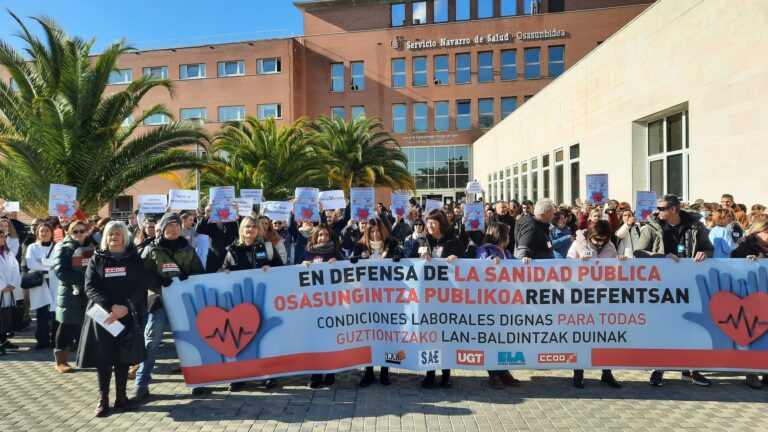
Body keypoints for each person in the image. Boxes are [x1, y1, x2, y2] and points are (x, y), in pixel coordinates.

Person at [635, 194, 714, 386]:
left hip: (690, 283)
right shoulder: (651, 228)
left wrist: (705, 253)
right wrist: (661, 257)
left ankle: (691, 370)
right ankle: (658, 368)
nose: (657, 211)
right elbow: (639, 252)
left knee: (691, 326)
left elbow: (709, 249)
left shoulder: (695, 227)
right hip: (662, 285)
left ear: (673, 209)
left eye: (661, 208)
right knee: (664, 325)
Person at [131, 213, 205, 402]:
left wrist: (188, 279)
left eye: (176, 227)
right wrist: (158, 282)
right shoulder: (152, 249)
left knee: (189, 343)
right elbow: (140, 275)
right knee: (151, 342)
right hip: (159, 303)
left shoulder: (188, 249)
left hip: (183, 303)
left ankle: (198, 381)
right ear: (162, 229)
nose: (173, 230)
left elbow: (199, 273)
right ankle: (141, 384)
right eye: (169, 227)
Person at [77, 221, 148, 417]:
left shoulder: (134, 259)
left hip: (126, 314)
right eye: (110, 234)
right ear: (105, 238)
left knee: (122, 357)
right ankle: (103, 398)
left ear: (125, 236)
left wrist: (125, 306)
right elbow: (90, 287)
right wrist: (111, 307)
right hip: (103, 316)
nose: (113, 237)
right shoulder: (97, 259)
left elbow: (140, 287)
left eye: (117, 234)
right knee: (104, 358)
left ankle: (121, 397)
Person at [221, 216, 283, 391]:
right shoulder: (231, 250)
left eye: (254, 227)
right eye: (247, 227)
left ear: (259, 230)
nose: (251, 230)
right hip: (239, 300)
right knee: (241, 339)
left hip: (263, 299)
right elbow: (220, 271)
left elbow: (282, 268)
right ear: (241, 229)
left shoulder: (267, 248)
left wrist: (270, 270)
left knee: (265, 338)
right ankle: (240, 376)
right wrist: (223, 272)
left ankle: (269, 375)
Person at [566, 220, 625, 388]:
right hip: (583, 298)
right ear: (591, 235)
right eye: (597, 239)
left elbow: (616, 268)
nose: (600, 243)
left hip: (604, 298)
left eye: (603, 240)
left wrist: (620, 261)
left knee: (606, 337)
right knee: (582, 337)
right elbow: (566, 264)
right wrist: (579, 262)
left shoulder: (611, 247)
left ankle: (607, 373)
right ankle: (578, 374)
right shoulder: (578, 244)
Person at [408, 209, 463, 389]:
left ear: (441, 223)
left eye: (433, 222)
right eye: (428, 222)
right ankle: (430, 373)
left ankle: (446, 374)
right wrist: (419, 259)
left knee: (445, 336)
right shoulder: (421, 241)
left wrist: (458, 258)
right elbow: (409, 263)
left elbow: (468, 261)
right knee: (429, 336)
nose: (430, 225)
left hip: (447, 297)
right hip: (427, 298)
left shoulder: (453, 241)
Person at [349, 219, 403, 388]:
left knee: (386, 334)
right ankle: (369, 371)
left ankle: (385, 371)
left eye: (377, 231)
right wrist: (353, 259)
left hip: (388, 299)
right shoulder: (360, 246)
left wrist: (398, 257)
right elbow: (349, 266)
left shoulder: (392, 244)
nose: (375, 234)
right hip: (366, 300)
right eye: (371, 231)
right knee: (369, 336)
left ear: (383, 231)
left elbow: (407, 263)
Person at [475, 222, 522, 389]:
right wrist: (490, 261)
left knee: (503, 339)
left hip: (505, 301)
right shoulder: (485, 250)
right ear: (499, 235)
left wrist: (525, 261)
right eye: (507, 234)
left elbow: (516, 263)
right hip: (489, 302)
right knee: (492, 339)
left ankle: (503, 370)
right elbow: (480, 264)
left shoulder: (506, 252)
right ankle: (493, 373)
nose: (509, 237)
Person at [300, 224, 344, 388]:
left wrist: (338, 265)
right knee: (315, 339)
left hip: (331, 304)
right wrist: (302, 266)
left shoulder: (336, 253)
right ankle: (316, 374)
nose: (322, 238)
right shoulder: (307, 252)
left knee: (330, 338)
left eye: (325, 235)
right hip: (312, 304)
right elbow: (293, 272)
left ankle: (331, 371)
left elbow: (346, 275)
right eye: (320, 235)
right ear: (314, 237)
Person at [728, 219, 768, 389]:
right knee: (754, 334)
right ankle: (751, 372)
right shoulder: (744, 248)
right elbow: (733, 265)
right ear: (758, 234)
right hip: (750, 297)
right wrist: (747, 262)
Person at [51, 220, 95, 373]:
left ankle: (88, 357)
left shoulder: (93, 246)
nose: (79, 234)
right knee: (67, 325)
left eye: (82, 231)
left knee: (89, 325)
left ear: (87, 231)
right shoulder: (63, 247)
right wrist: (85, 281)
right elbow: (60, 272)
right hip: (70, 293)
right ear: (69, 232)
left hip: (90, 292)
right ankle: (60, 361)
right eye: (75, 231)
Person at [26, 222, 60, 349]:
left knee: (55, 313)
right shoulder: (32, 247)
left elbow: (58, 263)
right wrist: (49, 265)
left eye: (47, 231)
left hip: (55, 281)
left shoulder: (58, 246)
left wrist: (43, 261)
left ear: (51, 233)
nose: (44, 233)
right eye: (42, 231)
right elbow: (31, 264)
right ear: (37, 233)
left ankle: (56, 340)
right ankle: (42, 340)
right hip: (39, 283)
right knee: (41, 313)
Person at [196, 204, 239, 273]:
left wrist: (237, 215)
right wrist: (206, 215)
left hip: (231, 260)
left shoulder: (234, 222)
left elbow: (241, 233)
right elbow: (200, 230)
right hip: (214, 259)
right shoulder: (213, 221)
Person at [0, 230, 22, 355]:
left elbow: (15, 267)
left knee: (4, 316)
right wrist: (2, 285)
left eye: (2, 237)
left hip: (8, 289)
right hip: (2, 288)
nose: (1, 239)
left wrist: (13, 283)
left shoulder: (8, 252)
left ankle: (3, 341)